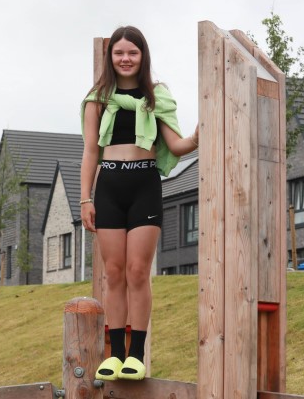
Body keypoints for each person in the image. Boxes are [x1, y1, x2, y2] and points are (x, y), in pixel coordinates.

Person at [80, 26, 198, 381]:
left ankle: (136, 354)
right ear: (110, 57)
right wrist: (85, 198)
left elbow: (176, 146)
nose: (126, 59)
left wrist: (196, 137)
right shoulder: (98, 98)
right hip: (109, 186)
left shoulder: (155, 96)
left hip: (145, 184)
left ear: (143, 56)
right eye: (119, 53)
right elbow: (89, 152)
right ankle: (115, 355)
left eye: (132, 52)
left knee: (137, 272)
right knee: (113, 273)